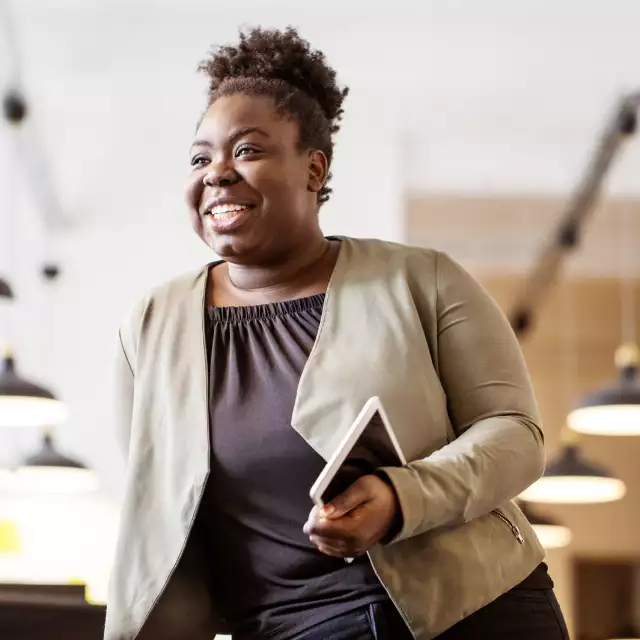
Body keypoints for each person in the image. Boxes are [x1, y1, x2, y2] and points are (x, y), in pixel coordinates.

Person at [105, 26, 569, 640]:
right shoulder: (151, 328)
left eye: (247, 150)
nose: (217, 173)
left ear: (314, 168)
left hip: (472, 615)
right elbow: (161, 507)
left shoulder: (420, 281)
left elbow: (516, 437)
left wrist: (403, 497)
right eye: (200, 157)